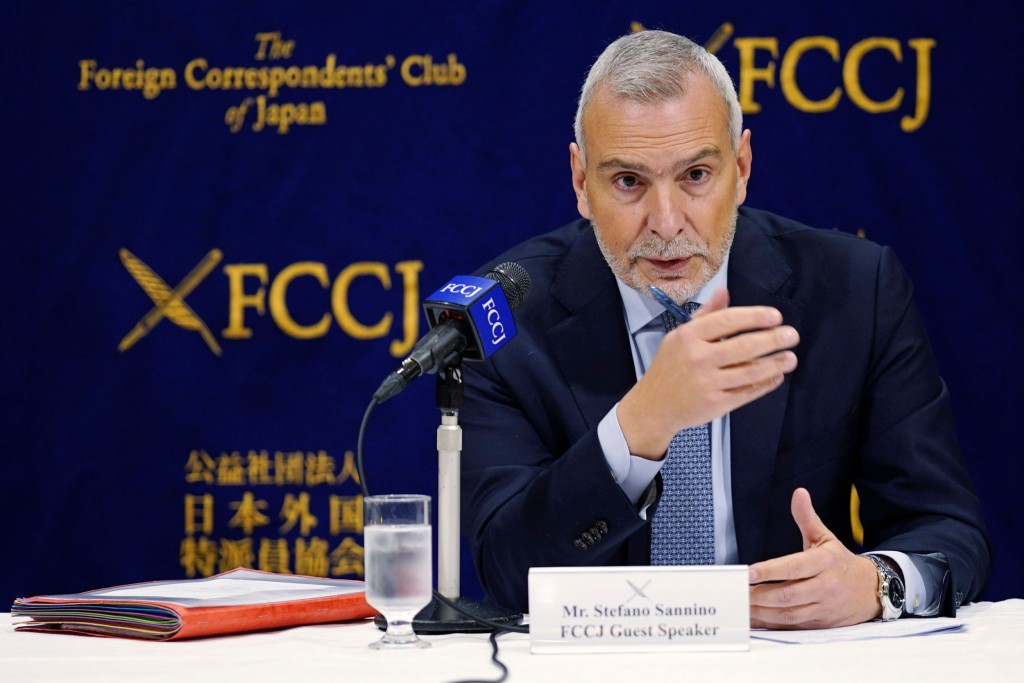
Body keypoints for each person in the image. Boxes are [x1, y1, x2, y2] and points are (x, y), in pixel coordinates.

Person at [459, 29, 990, 629]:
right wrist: (642, 425)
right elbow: (506, 572)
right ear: (582, 182)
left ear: (740, 168)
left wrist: (877, 583)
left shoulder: (854, 291)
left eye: (695, 176)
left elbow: (950, 531)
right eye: (628, 181)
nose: (665, 223)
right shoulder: (501, 317)